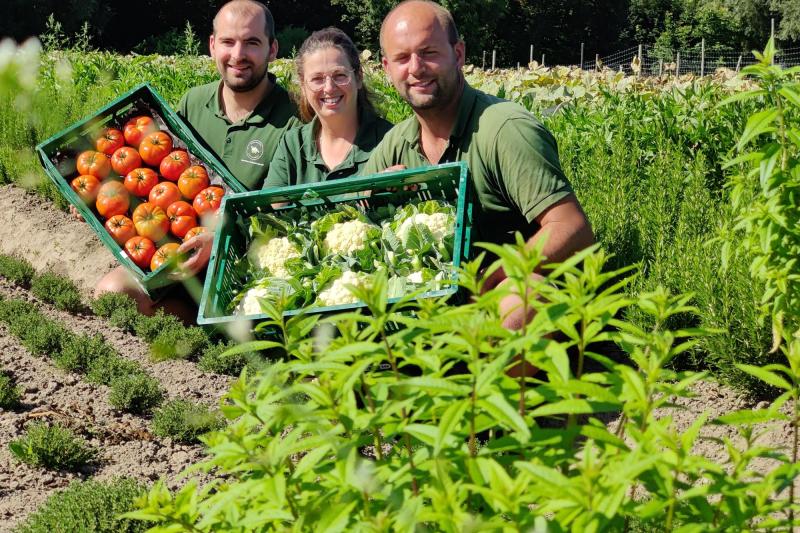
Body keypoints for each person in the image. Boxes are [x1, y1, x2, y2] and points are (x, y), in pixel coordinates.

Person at [362, 0, 594, 356]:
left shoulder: (504, 129)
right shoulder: (396, 144)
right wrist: (376, 193)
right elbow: (350, 220)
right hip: (438, 307)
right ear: (386, 67)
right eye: (402, 58)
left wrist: (490, 280)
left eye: (428, 53)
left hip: (511, 299)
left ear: (458, 54)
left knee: (522, 297)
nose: (416, 68)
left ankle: (499, 400)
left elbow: (571, 227)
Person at [93, 0, 300, 321]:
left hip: (241, 264)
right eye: (228, 42)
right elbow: (154, 175)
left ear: (273, 49)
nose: (238, 54)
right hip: (175, 253)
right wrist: (101, 196)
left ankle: (205, 328)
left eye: (252, 43)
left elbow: (285, 211)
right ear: (213, 45)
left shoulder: (292, 118)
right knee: (113, 294)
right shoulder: (194, 101)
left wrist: (220, 236)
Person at [262, 28, 392, 189]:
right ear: (303, 86)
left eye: (340, 75)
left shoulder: (390, 141)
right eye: (317, 79)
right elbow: (269, 210)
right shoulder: (292, 145)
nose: (329, 88)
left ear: (358, 78)